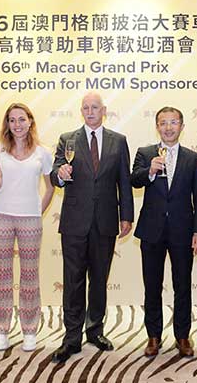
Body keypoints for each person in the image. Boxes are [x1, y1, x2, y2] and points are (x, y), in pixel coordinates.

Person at [49, 92, 134, 363]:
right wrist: (60, 175)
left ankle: (95, 331)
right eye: (85, 107)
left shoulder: (118, 141)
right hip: (74, 222)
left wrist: (126, 216)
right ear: (81, 111)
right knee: (73, 282)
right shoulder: (67, 139)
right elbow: (55, 173)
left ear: (103, 110)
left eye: (94, 107)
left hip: (106, 220)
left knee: (99, 279)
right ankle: (71, 338)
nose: (90, 111)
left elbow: (124, 181)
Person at [131, 106, 197, 358]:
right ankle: (153, 336)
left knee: (182, 285)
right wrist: (150, 171)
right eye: (163, 123)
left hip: (183, 230)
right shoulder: (145, 153)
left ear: (182, 127)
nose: (168, 127)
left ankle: (182, 336)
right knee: (152, 286)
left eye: (174, 122)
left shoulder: (193, 158)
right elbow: (134, 179)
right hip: (151, 230)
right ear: (157, 127)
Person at [0, 103, 54, 352]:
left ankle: (29, 330)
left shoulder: (43, 153)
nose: (17, 124)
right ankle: (0, 331)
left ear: (30, 121)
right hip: (0, 217)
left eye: (21, 119)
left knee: (30, 276)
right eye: (12, 120)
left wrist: (37, 211)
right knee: (2, 276)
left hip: (30, 220)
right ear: (7, 124)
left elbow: (50, 187)